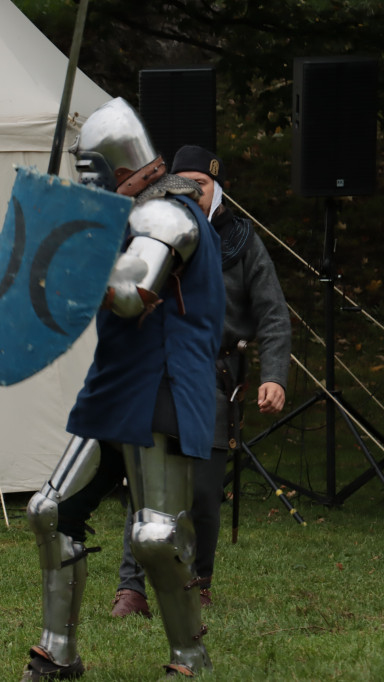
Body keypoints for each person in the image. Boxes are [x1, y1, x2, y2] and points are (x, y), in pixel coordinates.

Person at [20, 99, 225, 680]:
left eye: (92, 173)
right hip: (117, 385)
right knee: (51, 511)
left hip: (162, 381)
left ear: (115, 167)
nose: (88, 185)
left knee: (157, 535)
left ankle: (191, 659)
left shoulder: (169, 216)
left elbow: (131, 291)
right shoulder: (129, 216)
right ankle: (57, 652)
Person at [110, 145, 291, 618]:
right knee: (148, 485)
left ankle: (197, 580)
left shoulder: (243, 242)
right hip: (156, 371)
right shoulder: (150, 236)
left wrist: (275, 376)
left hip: (213, 378)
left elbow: (273, 315)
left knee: (204, 492)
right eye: (182, 182)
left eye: (201, 183)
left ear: (218, 191)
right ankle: (132, 589)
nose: (191, 191)